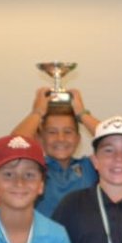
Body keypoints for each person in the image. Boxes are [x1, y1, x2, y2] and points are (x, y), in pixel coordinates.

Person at [10, 86, 100, 218]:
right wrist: (37, 112)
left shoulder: (91, 167)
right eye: (52, 132)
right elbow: (13, 145)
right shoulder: (35, 169)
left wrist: (82, 114)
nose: (61, 139)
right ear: (39, 139)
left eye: (68, 132)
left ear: (78, 139)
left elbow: (116, 141)